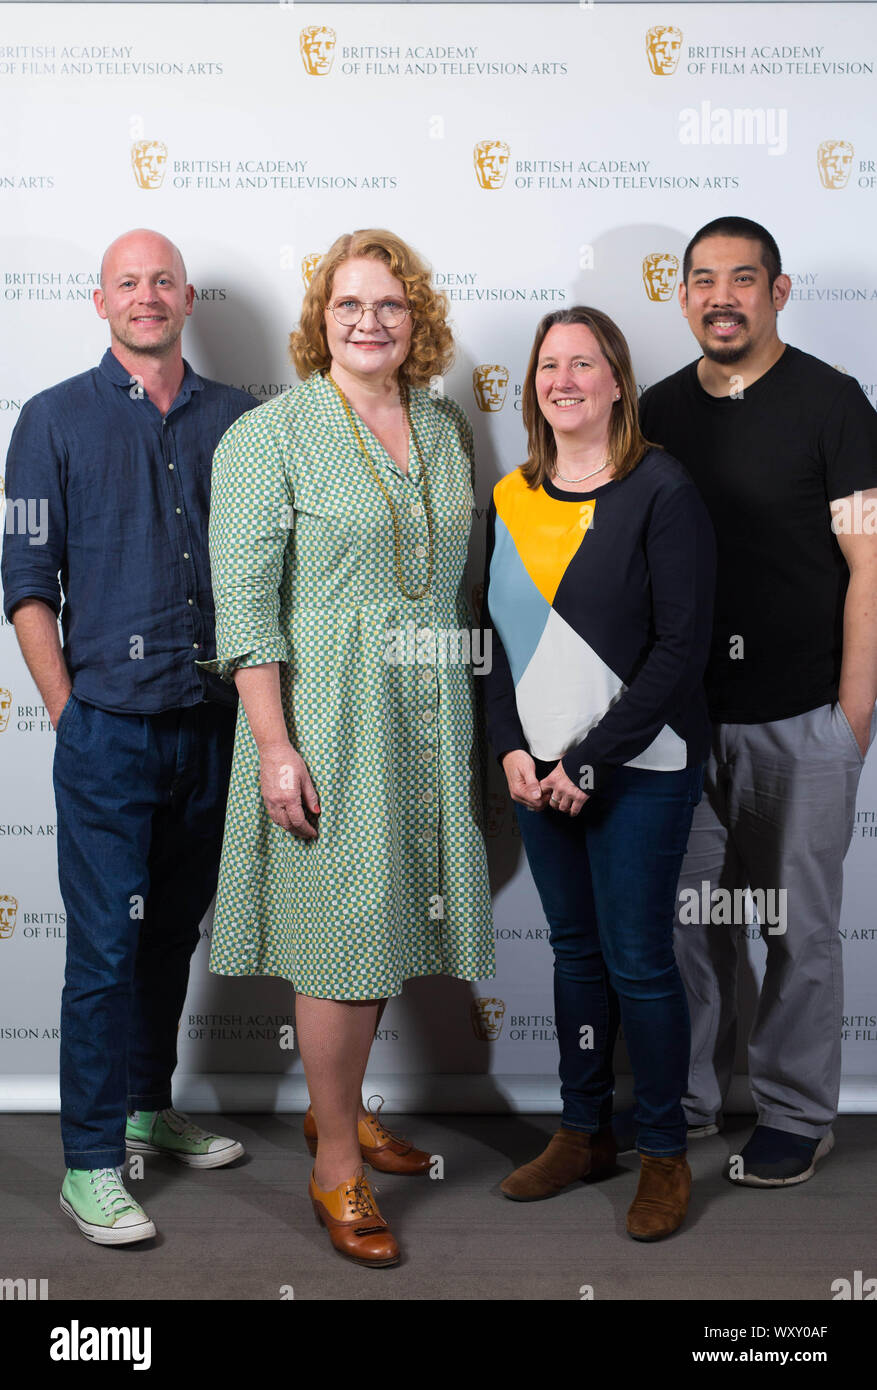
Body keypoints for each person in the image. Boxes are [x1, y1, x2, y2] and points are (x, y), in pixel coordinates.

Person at [201, 228, 494, 1267]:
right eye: (347, 306)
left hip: (426, 711)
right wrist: (276, 745)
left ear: (418, 321)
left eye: (390, 305)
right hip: (326, 716)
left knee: (383, 925)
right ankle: (334, 1164)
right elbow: (244, 616)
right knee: (340, 935)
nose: (369, 322)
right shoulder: (266, 437)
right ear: (318, 324)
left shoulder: (445, 424)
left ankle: (348, 1111)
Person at [1, 229, 255, 1244]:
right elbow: (25, 583)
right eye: (127, 283)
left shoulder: (241, 419)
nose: (146, 296)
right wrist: (69, 710)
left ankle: (149, 1105)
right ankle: (93, 1160)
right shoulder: (49, 419)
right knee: (104, 952)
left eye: (162, 280)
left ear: (188, 295)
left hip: (213, 728)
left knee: (170, 935)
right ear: (98, 300)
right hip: (106, 732)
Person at [639, 215, 877, 1186]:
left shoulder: (834, 404)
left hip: (802, 718)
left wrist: (850, 720)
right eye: (703, 278)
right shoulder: (653, 411)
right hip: (679, 724)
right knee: (681, 922)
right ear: (682, 293)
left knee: (796, 927)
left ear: (777, 292)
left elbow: (870, 564)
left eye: (743, 278)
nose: (721, 295)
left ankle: (794, 1111)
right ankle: (686, 1099)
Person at [483, 306, 715, 1240]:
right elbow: (493, 643)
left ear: (618, 380)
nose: (564, 379)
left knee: (639, 963)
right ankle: (583, 1134)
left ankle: (661, 1152)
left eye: (585, 363)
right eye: (549, 365)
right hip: (537, 774)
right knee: (575, 957)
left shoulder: (662, 489)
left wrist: (588, 757)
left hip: (641, 768)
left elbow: (680, 647)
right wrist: (510, 746)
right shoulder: (509, 495)